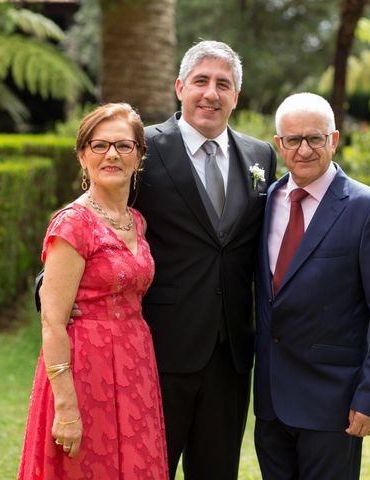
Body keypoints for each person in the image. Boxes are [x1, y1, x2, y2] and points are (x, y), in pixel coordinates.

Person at [135, 40, 277, 479]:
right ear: (180, 87)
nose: (211, 93)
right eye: (201, 81)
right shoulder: (142, 150)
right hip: (161, 350)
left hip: (231, 355)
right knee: (150, 470)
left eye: (223, 84)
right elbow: (102, 216)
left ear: (236, 96)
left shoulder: (261, 157)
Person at [253, 92, 370, 479]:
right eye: (293, 140)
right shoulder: (267, 200)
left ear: (334, 140)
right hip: (271, 404)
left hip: (332, 404)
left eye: (315, 138)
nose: (303, 149)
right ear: (279, 144)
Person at [19, 103, 168, 479]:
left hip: (135, 362)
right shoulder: (72, 224)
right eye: (99, 146)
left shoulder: (136, 221)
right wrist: (66, 407)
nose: (112, 155)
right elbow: (52, 321)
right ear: (83, 156)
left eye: (123, 145)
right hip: (86, 367)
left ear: (139, 156)